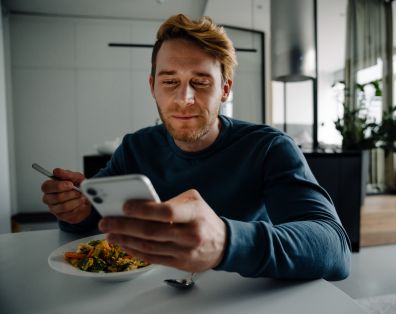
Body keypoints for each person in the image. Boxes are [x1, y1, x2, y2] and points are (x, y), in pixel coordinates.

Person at [41, 14, 351, 280]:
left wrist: (226, 241)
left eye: (201, 82)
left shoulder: (269, 147)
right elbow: (99, 220)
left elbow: (334, 248)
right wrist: (78, 211)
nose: (184, 98)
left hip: (246, 296)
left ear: (225, 89)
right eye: (170, 81)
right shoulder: (135, 147)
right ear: (153, 87)